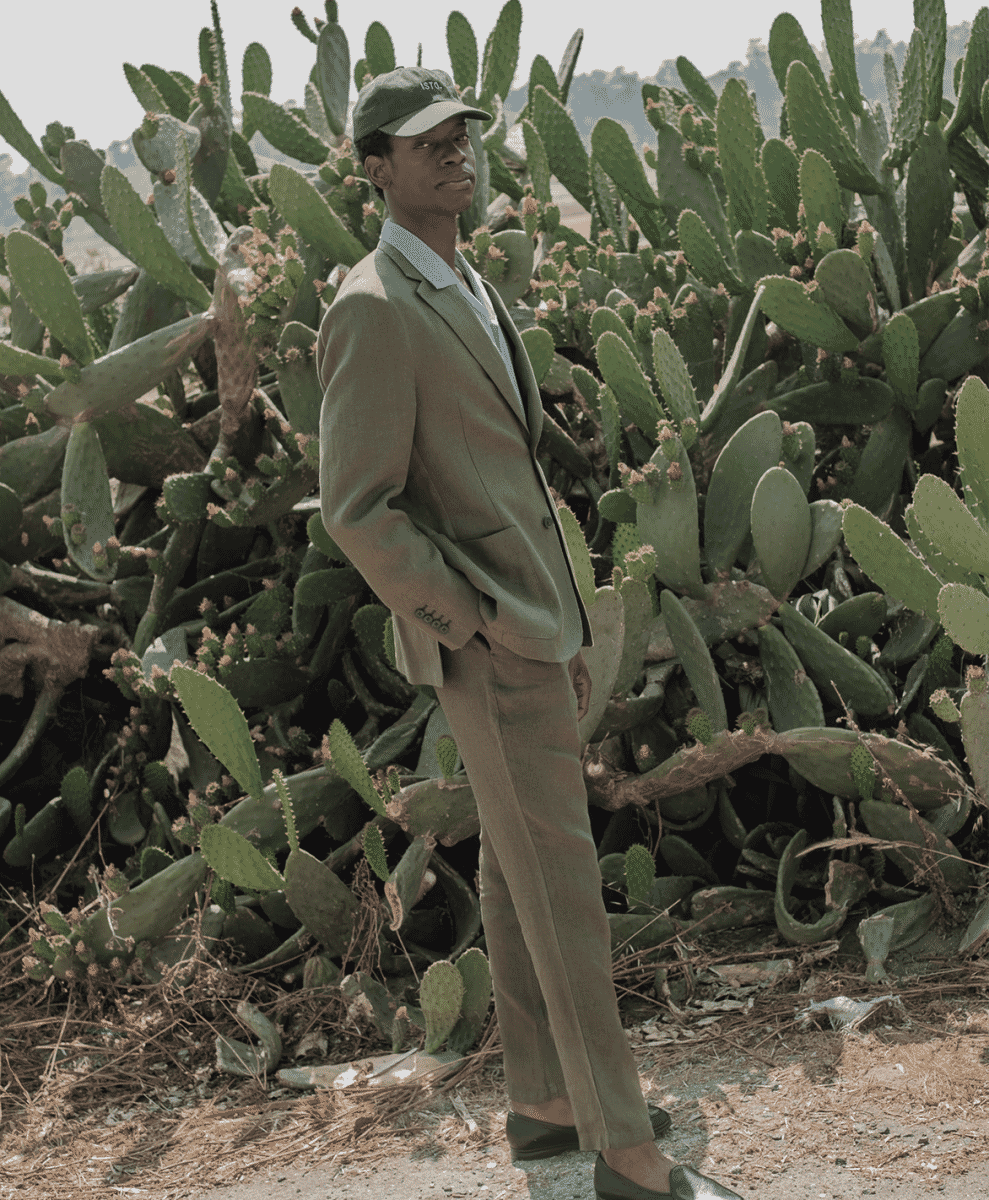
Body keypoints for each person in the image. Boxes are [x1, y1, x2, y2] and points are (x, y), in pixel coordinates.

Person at [316, 66, 744, 1200]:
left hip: (534, 621)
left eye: (460, 133)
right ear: (374, 169)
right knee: (560, 882)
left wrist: (549, 618)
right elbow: (357, 508)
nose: (453, 151)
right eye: (425, 141)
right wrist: (472, 624)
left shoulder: (459, 276)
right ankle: (627, 1155)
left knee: (518, 871)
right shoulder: (372, 307)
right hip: (492, 638)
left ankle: (545, 1106)